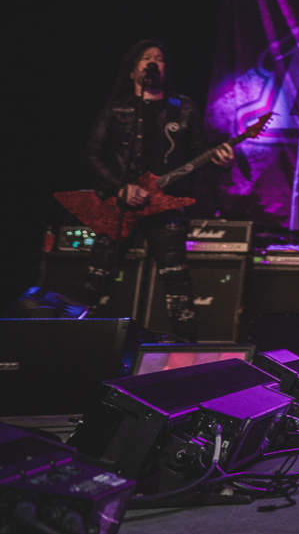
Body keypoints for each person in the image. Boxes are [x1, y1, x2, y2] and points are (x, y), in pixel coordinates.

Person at [82, 41, 233, 340]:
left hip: (165, 205)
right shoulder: (118, 106)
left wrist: (221, 161)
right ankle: (82, 341)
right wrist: (120, 188)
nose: (154, 63)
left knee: (177, 282)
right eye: (146, 58)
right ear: (133, 69)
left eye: (160, 59)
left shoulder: (182, 106)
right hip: (120, 204)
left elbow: (198, 151)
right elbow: (92, 153)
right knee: (98, 277)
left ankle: (187, 348)